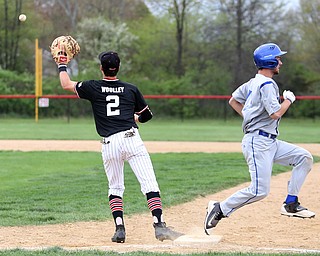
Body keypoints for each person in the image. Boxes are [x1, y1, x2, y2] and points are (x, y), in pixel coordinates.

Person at [56, 51, 183, 243]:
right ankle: (159, 226)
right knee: (149, 184)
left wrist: (62, 64)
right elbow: (147, 116)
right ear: (119, 67)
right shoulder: (131, 89)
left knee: (115, 187)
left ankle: (120, 229)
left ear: (101, 68)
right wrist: (134, 117)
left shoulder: (93, 87)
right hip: (131, 139)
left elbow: (66, 84)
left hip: (109, 143)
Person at [204, 43, 315, 235]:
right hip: (259, 143)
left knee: (304, 158)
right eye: (278, 58)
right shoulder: (266, 84)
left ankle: (290, 203)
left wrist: (249, 118)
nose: (280, 62)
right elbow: (275, 113)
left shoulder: (252, 82)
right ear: (269, 61)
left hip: (269, 141)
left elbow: (233, 100)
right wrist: (288, 100)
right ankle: (220, 208)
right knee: (259, 191)